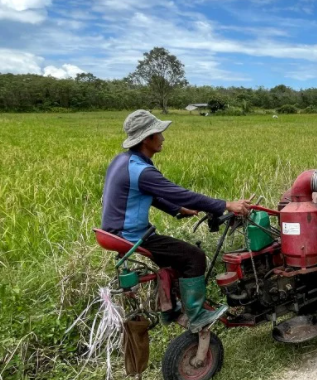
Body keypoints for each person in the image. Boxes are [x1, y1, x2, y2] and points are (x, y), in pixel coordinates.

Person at [101, 110, 252, 331]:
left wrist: (178, 210)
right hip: (130, 235)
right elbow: (180, 193)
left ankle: (170, 308)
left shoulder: (122, 160)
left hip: (113, 232)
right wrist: (226, 205)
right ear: (147, 139)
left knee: (174, 259)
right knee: (194, 256)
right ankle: (197, 314)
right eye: (159, 133)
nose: (163, 138)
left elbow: (150, 195)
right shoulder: (143, 171)